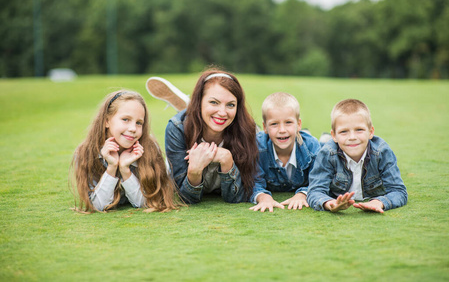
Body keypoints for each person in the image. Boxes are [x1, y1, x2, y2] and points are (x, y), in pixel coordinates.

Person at [147, 68, 258, 204]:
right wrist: (194, 170)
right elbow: (186, 197)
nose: (223, 113)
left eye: (231, 105)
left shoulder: (248, 130)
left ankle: (190, 108)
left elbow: (238, 197)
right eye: (214, 102)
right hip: (181, 148)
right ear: (199, 101)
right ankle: (189, 110)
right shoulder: (177, 128)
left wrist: (227, 159)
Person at [69, 90, 180, 212]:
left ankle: (185, 112)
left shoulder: (150, 148)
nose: (133, 129)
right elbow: (98, 206)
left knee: (174, 179)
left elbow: (146, 202)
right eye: (125, 119)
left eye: (139, 123)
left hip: (173, 177)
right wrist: (112, 167)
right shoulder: (85, 153)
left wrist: (125, 170)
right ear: (107, 121)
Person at [307, 99, 408, 213]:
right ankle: (319, 139)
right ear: (334, 135)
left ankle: (325, 139)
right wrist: (329, 203)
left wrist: (379, 202)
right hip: (330, 148)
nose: (352, 137)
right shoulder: (327, 153)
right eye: (344, 131)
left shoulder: (382, 152)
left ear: (370, 132)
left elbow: (399, 191)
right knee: (320, 148)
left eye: (359, 130)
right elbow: (315, 191)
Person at [249, 92, 320, 212]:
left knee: (324, 150)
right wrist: (263, 197)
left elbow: (319, 179)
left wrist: (303, 194)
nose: (282, 130)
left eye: (288, 122)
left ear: (298, 124)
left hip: (307, 144)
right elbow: (253, 182)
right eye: (274, 124)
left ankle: (324, 139)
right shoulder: (257, 147)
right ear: (265, 127)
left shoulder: (312, 147)